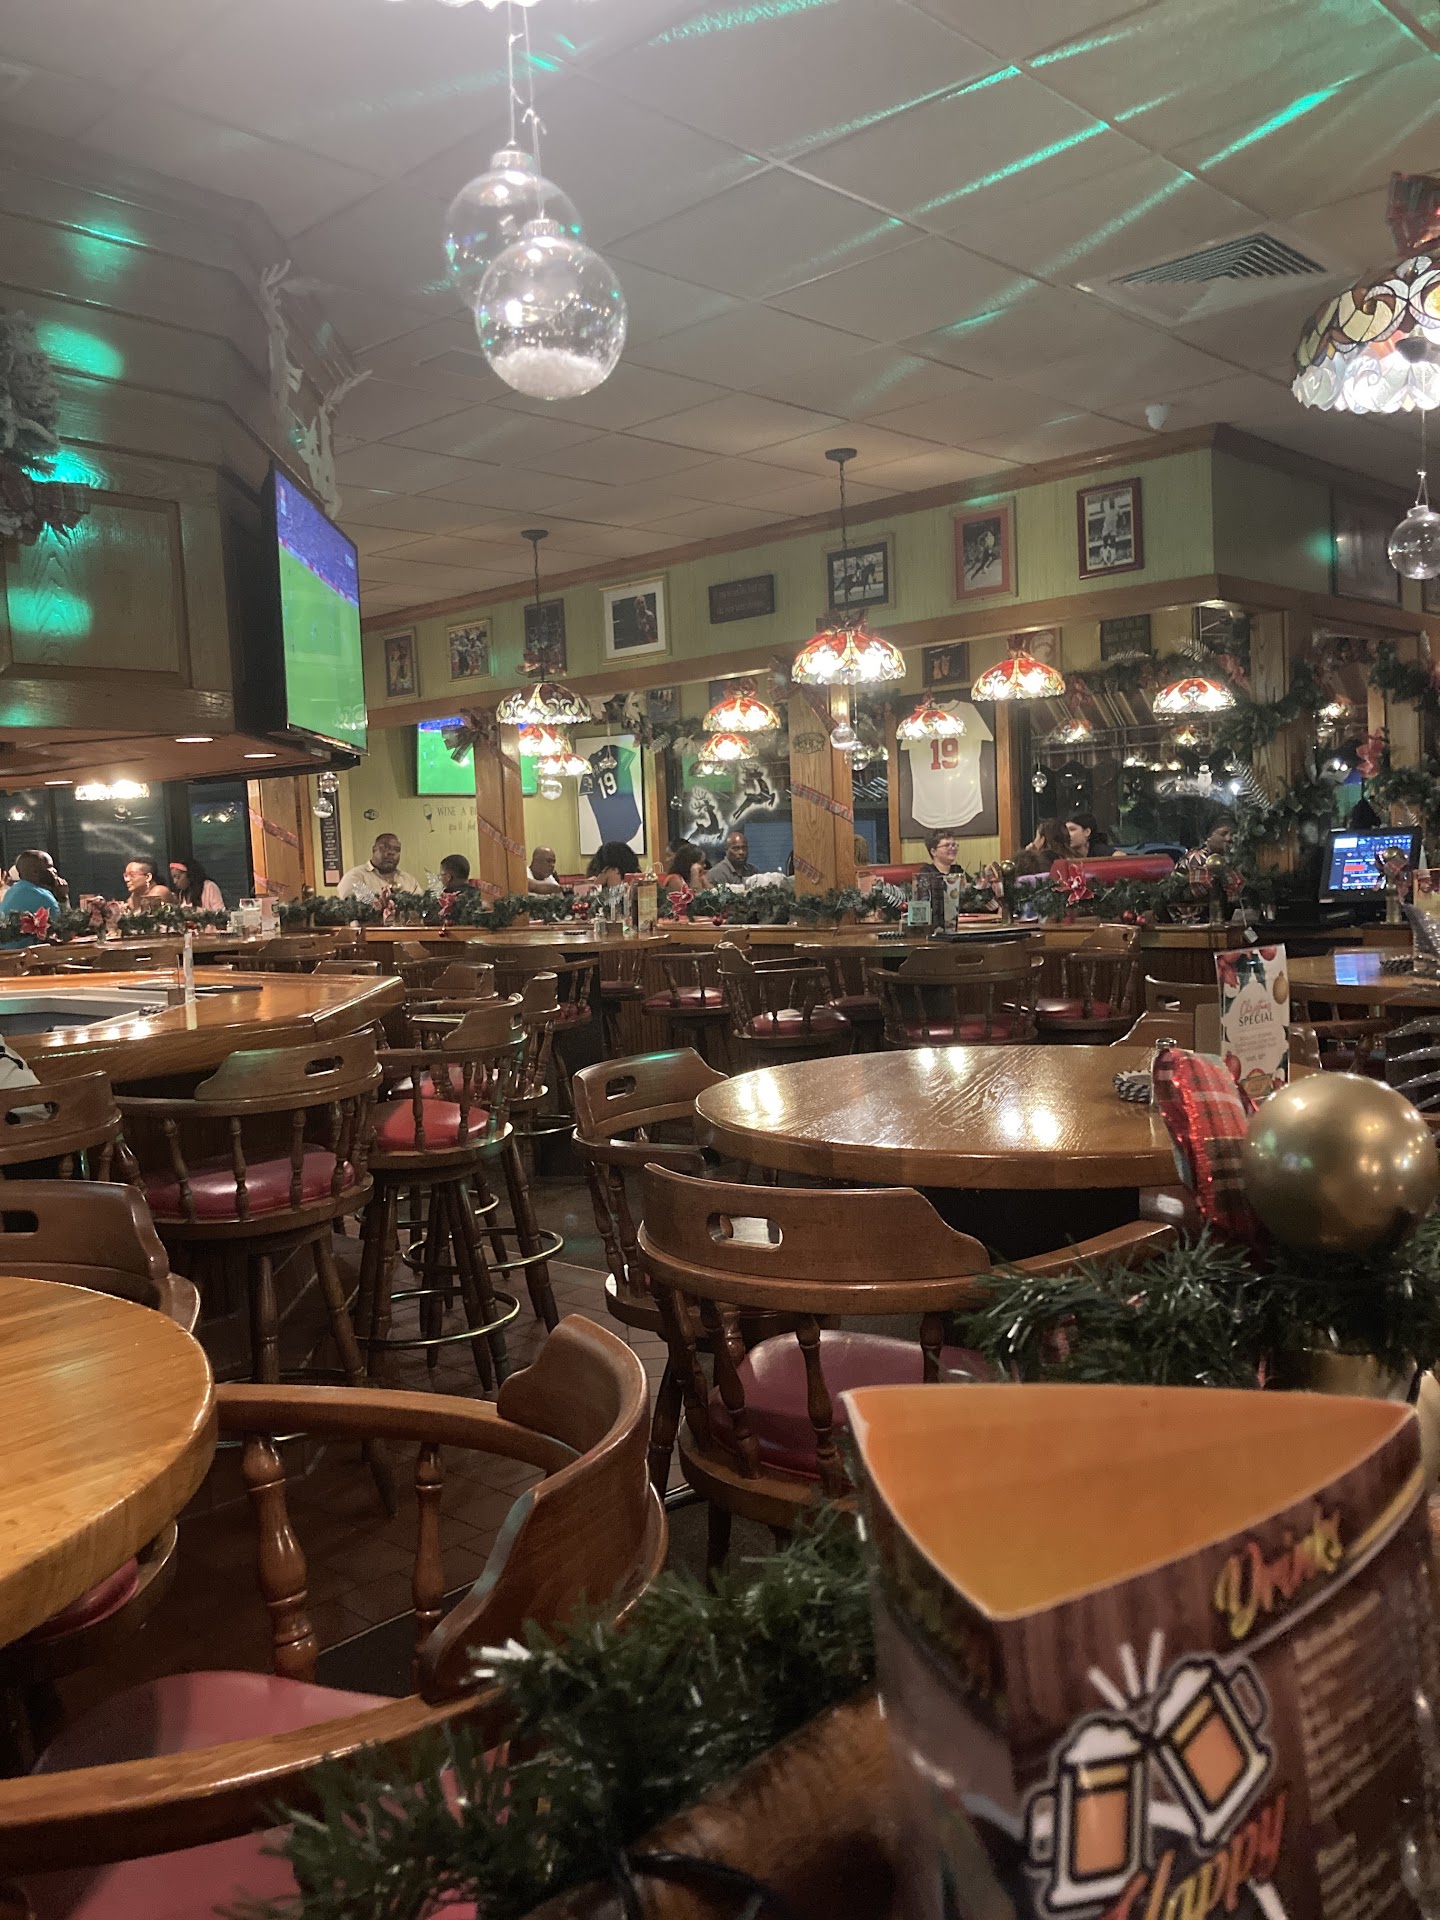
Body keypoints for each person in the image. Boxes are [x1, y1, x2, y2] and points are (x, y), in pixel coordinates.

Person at [337, 833, 419, 904]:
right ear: (374, 849)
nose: (391, 853)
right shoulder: (355, 877)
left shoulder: (409, 880)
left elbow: (421, 907)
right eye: (385, 848)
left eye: (396, 850)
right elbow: (354, 909)